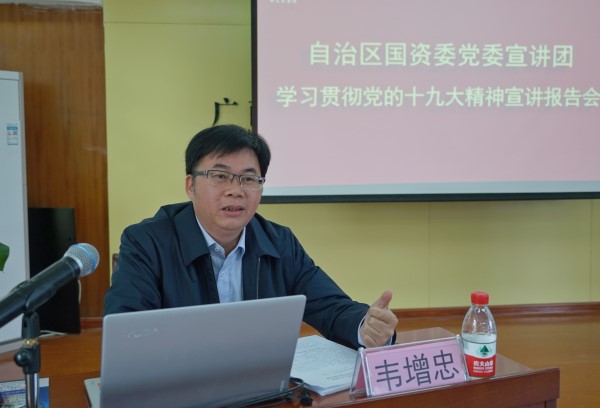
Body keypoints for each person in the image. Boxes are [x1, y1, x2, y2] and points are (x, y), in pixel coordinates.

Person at [104, 124, 397, 349]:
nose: (236, 190)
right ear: (190, 185)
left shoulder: (279, 243)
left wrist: (365, 326)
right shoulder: (147, 242)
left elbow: (329, 306)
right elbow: (127, 331)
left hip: (259, 386)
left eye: (248, 179)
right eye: (220, 176)